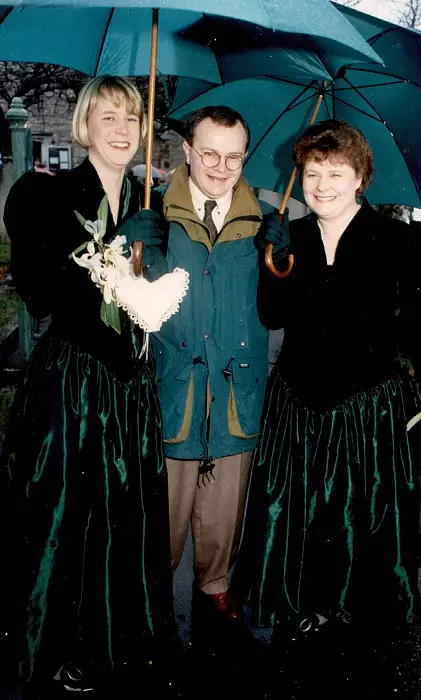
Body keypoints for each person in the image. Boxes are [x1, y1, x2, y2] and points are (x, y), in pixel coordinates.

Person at [233, 119, 421, 645]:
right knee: (300, 511)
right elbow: (271, 316)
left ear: (360, 178)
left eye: (336, 171)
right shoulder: (292, 237)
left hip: (368, 407)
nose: (322, 184)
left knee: (361, 513)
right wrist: (273, 262)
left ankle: (358, 605)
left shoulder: (403, 242)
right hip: (299, 402)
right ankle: (304, 601)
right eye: (312, 172)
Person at [1, 75, 183, 695]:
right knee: (63, 519)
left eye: (132, 118)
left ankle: (107, 641)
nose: (122, 129)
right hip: (73, 386)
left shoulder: (149, 201)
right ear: (83, 127)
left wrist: (151, 259)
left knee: (119, 521)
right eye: (107, 117)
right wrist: (113, 244)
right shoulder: (47, 196)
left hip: (129, 388)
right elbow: (43, 294)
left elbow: (150, 306)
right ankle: (47, 646)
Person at [146, 105, 269, 648]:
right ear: (188, 150)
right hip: (175, 386)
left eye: (234, 156)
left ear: (246, 157)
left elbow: (289, 306)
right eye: (210, 153)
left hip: (236, 389)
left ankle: (215, 582)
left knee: (224, 507)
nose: (221, 167)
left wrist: (289, 261)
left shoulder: (268, 221)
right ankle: (150, 592)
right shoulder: (152, 213)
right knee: (163, 509)